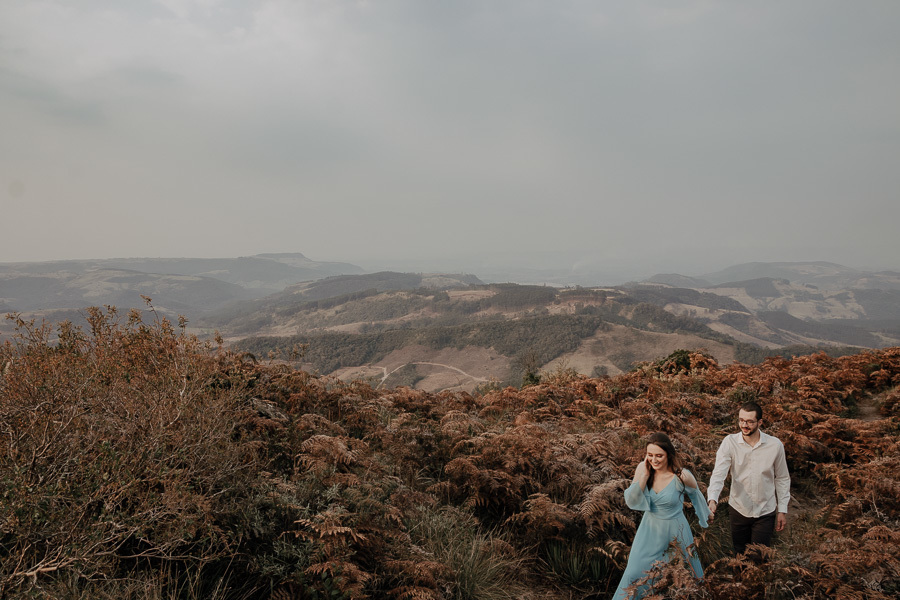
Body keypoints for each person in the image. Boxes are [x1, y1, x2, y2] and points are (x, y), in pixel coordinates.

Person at [612, 432, 710, 600]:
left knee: (684, 576)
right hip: (648, 531)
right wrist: (644, 476)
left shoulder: (682, 476)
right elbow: (631, 500)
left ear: (668, 455)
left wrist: (705, 518)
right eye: (650, 455)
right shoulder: (642, 469)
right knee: (635, 572)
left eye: (659, 456)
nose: (654, 460)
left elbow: (696, 496)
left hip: (676, 533)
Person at [706, 401, 791, 555]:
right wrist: (713, 500)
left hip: (765, 510)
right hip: (739, 508)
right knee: (740, 554)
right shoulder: (729, 442)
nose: (744, 425)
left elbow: (782, 478)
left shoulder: (775, 445)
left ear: (760, 422)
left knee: (759, 556)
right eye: (741, 420)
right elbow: (719, 473)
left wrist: (782, 510)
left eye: (750, 422)